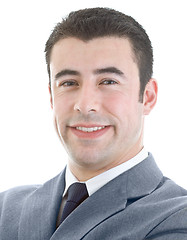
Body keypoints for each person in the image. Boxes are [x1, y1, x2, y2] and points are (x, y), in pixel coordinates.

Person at [0, 7, 187, 240]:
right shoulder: (5, 207)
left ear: (147, 96)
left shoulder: (178, 218)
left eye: (108, 81)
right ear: (51, 97)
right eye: (69, 83)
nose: (85, 104)